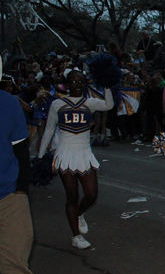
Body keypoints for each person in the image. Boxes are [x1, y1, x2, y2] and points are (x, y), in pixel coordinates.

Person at [0, 44, 52, 274]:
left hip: (7, 199)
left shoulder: (8, 104)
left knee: (16, 266)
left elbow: (20, 151)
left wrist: (21, 189)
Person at [38, 71, 114, 249]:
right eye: (73, 81)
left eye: (80, 81)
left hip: (84, 153)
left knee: (91, 194)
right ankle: (75, 236)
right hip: (65, 153)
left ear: (85, 83)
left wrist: (107, 83)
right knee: (72, 195)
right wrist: (41, 155)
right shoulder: (57, 104)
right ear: (67, 84)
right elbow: (49, 130)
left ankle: (79, 214)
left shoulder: (90, 103)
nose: (77, 84)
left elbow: (109, 105)